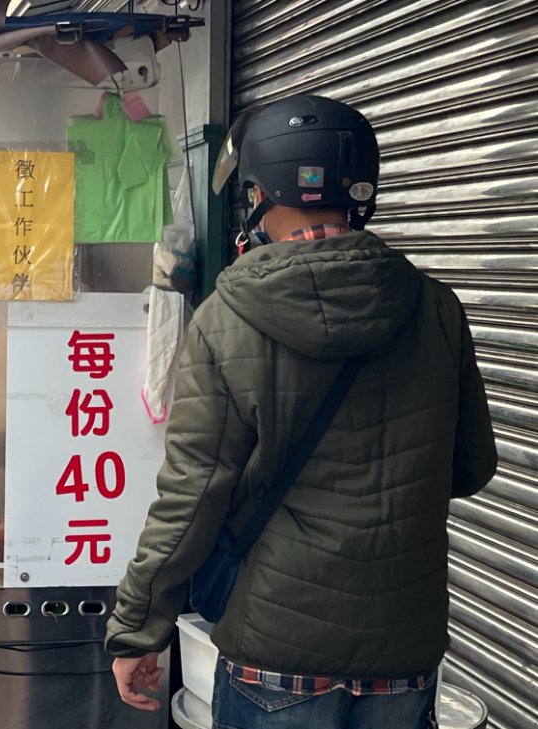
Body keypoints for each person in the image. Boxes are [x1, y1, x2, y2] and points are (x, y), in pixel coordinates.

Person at [104, 95, 497, 729]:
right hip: (405, 650)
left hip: (277, 652)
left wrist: (136, 630)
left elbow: (191, 500)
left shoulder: (226, 322)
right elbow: (471, 467)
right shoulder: (435, 308)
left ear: (255, 192)